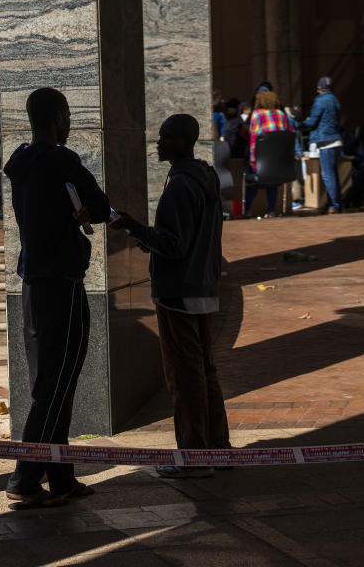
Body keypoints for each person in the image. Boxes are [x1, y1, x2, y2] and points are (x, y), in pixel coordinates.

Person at [3, 87, 109, 507]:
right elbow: (100, 207)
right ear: (58, 116)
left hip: (33, 283)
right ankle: (26, 480)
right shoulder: (62, 160)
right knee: (55, 385)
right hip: (62, 283)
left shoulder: (20, 164)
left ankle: (61, 479)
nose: (69, 124)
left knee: (54, 383)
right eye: (67, 116)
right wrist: (82, 213)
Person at [110, 114, 229, 478]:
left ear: (183, 141)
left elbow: (175, 246)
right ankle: (218, 450)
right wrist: (154, 239)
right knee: (204, 372)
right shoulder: (205, 178)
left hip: (178, 293)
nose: (158, 143)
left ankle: (194, 457)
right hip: (204, 288)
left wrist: (134, 227)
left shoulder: (180, 185)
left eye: (166, 137)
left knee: (185, 376)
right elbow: (188, 240)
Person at [246, 90, 295, 218]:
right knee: (272, 182)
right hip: (279, 164)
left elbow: (253, 138)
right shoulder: (282, 115)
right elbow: (289, 135)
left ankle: (248, 210)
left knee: (253, 182)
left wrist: (252, 159)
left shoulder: (257, 114)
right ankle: (271, 211)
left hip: (261, 162)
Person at [301, 77, 343, 214]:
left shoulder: (320, 101)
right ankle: (338, 203)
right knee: (334, 174)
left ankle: (334, 205)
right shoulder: (335, 100)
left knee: (327, 174)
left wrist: (299, 123)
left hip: (326, 142)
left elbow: (312, 122)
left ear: (320, 88)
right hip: (336, 140)